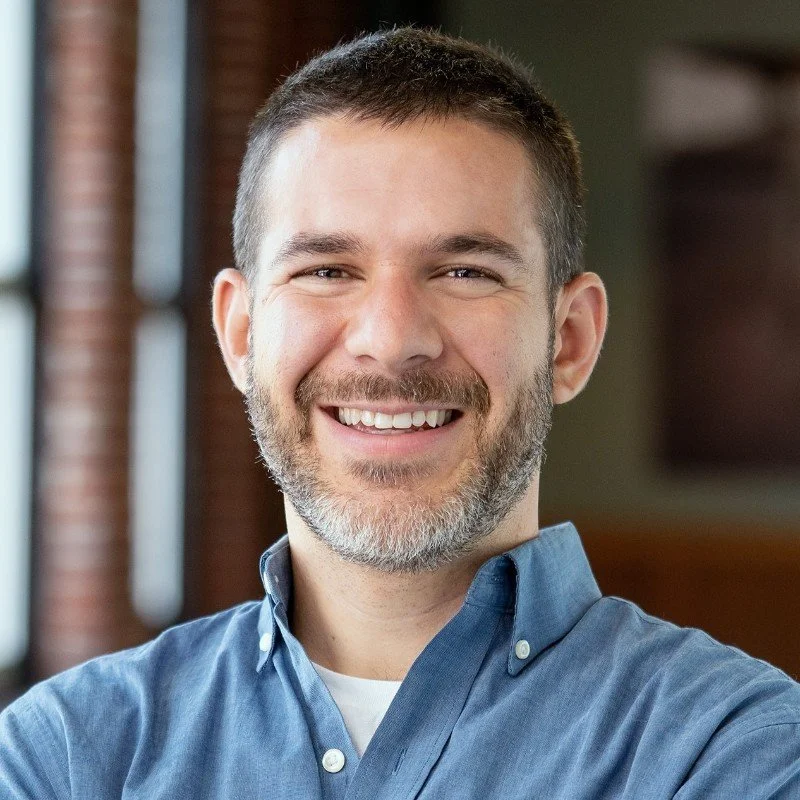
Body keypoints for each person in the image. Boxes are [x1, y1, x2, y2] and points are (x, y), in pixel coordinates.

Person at [1, 26, 799, 799]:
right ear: (240, 334)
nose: (390, 341)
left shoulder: (739, 752)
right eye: (326, 269)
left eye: (464, 271)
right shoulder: (64, 757)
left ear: (570, 340)